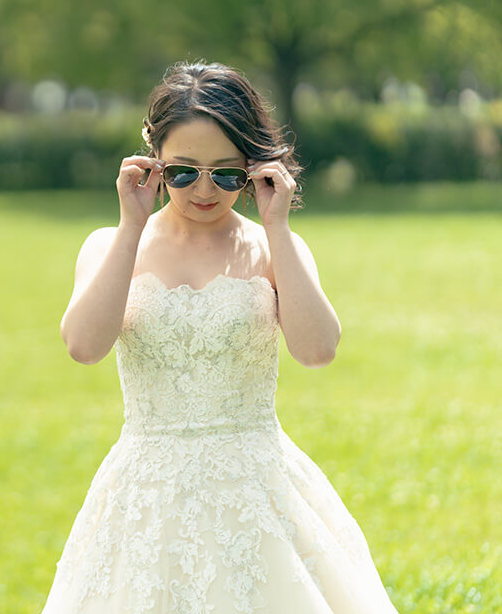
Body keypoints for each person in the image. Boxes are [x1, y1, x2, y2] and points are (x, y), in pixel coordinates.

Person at [42, 62, 397, 613]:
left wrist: (278, 226)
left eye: (227, 174)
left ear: (254, 169)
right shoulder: (109, 245)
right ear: (153, 159)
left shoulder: (273, 248)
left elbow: (318, 350)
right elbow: (84, 346)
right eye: (184, 171)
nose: (204, 189)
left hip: (257, 484)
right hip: (146, 490)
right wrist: (131, 225)